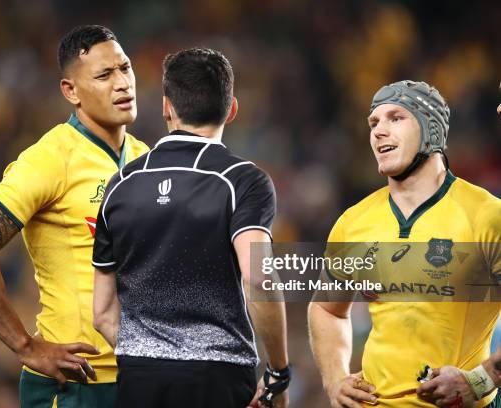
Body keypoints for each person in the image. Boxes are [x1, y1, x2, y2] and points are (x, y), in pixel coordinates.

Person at [0, 25, 148, 407]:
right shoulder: (50, 158)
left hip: (141, 375)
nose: (122, 83)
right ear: (71, 91)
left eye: (125, 68)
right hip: (75, 383)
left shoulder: (145, 159)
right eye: (104, 75)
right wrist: (26, 345)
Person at [92, 48, 290, 408]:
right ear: (231, 109)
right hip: (219, 378)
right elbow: (259, 279)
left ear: (166, 107)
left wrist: (148, 352)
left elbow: (102, 314)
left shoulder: (120, 184)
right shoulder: (242, 181)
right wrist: (279, 373)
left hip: (139, 380)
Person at [308, 80, 501, 407]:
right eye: (374, 122)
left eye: (396, 118)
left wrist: (479, 381)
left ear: (432, 130)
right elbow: (326, 309)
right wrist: (335, 379)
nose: (379, 131)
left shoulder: (486, 216)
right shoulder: (354, 223)